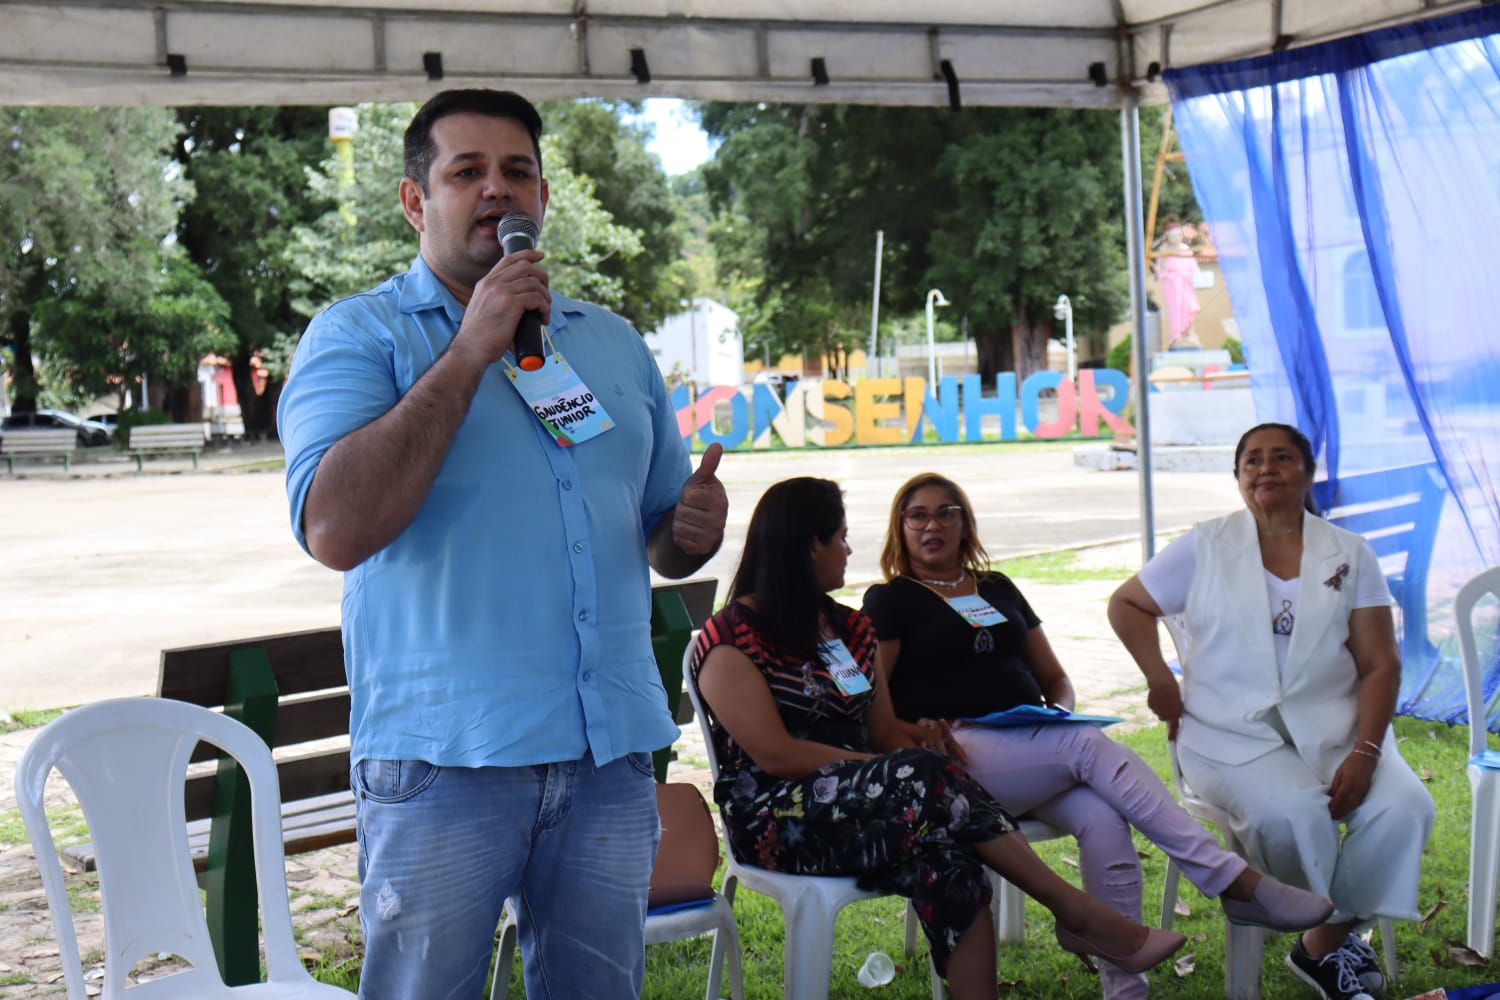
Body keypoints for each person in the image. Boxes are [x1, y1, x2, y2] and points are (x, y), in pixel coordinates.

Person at [276, 89, 728, 1000]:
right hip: (447, 759)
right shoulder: (360, 336)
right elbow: (333, 526)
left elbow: (657, 536)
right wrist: (471, 346)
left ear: (544, 197)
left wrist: (686, 532)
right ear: (415, 201)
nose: (497, 191)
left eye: (516, 171)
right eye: (466, 172)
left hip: (606, 753)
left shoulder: (609, 344)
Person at [690, 477, 1187, 1000]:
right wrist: (882, 770)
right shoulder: (731, 638)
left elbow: (883, 732)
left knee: (950, 861)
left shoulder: (850, 629)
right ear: (809, 544)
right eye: (840, 537)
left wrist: (919, 741)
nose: (849, 549)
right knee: (922, 775)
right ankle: (1077, 912)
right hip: (779, 817)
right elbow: (776, 753)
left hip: (868, 804)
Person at [862, 471, 1336, 1000]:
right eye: (918, 515)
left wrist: (1056, 714)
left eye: (947, 512)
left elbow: (1056, 680)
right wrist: (918, 730)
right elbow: (871, 704)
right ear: (899, 528)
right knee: (1087, 747)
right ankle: (1229, 879)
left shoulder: (996, 587)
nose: (933, 525)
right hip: (956, 759)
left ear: (965, 523)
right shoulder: (891, 599)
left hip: (1030, 744)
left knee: (1101, 814)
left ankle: (1125, 990)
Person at [1108, 423, 1435, 1000]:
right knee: (1290, 816)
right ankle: (1330, 939)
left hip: (1336, 727)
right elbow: (1127, 603)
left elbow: (1381, 663)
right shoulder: (1204, 544)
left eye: (1281, 458)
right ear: (1237, 478)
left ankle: (1321, 944)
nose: (1265, 469)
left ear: (1306, 473)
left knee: (1405, 806)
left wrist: (1366, 751)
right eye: (1252, 461)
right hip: (1226, 733)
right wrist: (1160, 678)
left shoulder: (1349, 553)